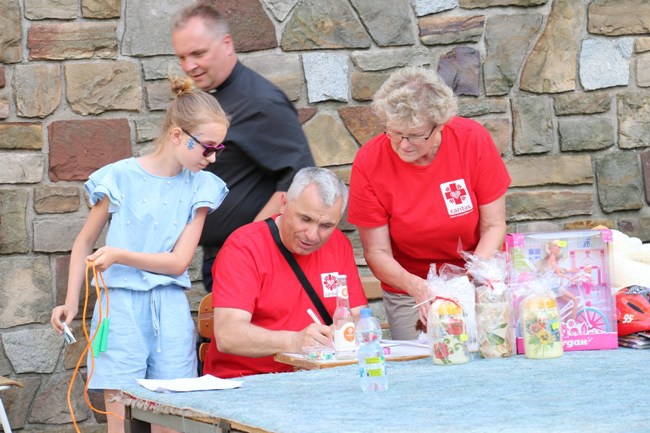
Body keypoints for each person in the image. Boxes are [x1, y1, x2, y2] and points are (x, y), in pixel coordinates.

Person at [50, 76, 230, 433]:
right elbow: (84, 241)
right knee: (120, 421)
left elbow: (179, 262)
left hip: (170, 308)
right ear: (178, 135)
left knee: (170, 418)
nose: (211, 158)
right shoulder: (119, 177)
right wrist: (71, 301)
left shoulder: (202, 188)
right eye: (207, 147)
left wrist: (119, 254)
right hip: (118, 309)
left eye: (218, 150)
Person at [348, 67, 511, 340]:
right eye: (394, 133)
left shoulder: (472, 140)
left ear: (441, 124)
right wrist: (419, 287)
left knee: (491, 345)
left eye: (415, 135)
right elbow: (376, 252)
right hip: (409, 286)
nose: (403, 145)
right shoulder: (369, 161)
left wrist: (465, 284)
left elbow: (494, 226)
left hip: (477, 275)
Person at [172, 0, 315, 290]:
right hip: (223, 258)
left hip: (251, 262)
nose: (190, 67)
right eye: (182, 58)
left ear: (227, 44)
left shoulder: (260, 102)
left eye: (198, 53)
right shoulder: (214, 98)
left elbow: (299, 181)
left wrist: (247, 243)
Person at [203, 167, 368, 378]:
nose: (312, 235)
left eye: (326, 225)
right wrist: (295, 341)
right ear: (283, 204)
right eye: (305, 219)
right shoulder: (244, 247)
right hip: (249, 380)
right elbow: (229, 335)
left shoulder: (338, 244)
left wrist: (344, 333)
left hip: (318, 377)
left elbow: (358, 316)